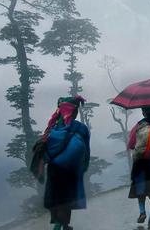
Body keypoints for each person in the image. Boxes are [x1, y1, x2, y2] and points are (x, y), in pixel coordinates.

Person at [43, 95, 90, 230]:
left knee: (56, 197)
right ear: (73, 112)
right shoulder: (81, 129)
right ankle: (62, 225)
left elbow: (46, 151)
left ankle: (59, 224)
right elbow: (86, 151)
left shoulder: (52, 128)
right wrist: (84, 166)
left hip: (54, 169)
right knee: (67, 199)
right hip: (71, 170)